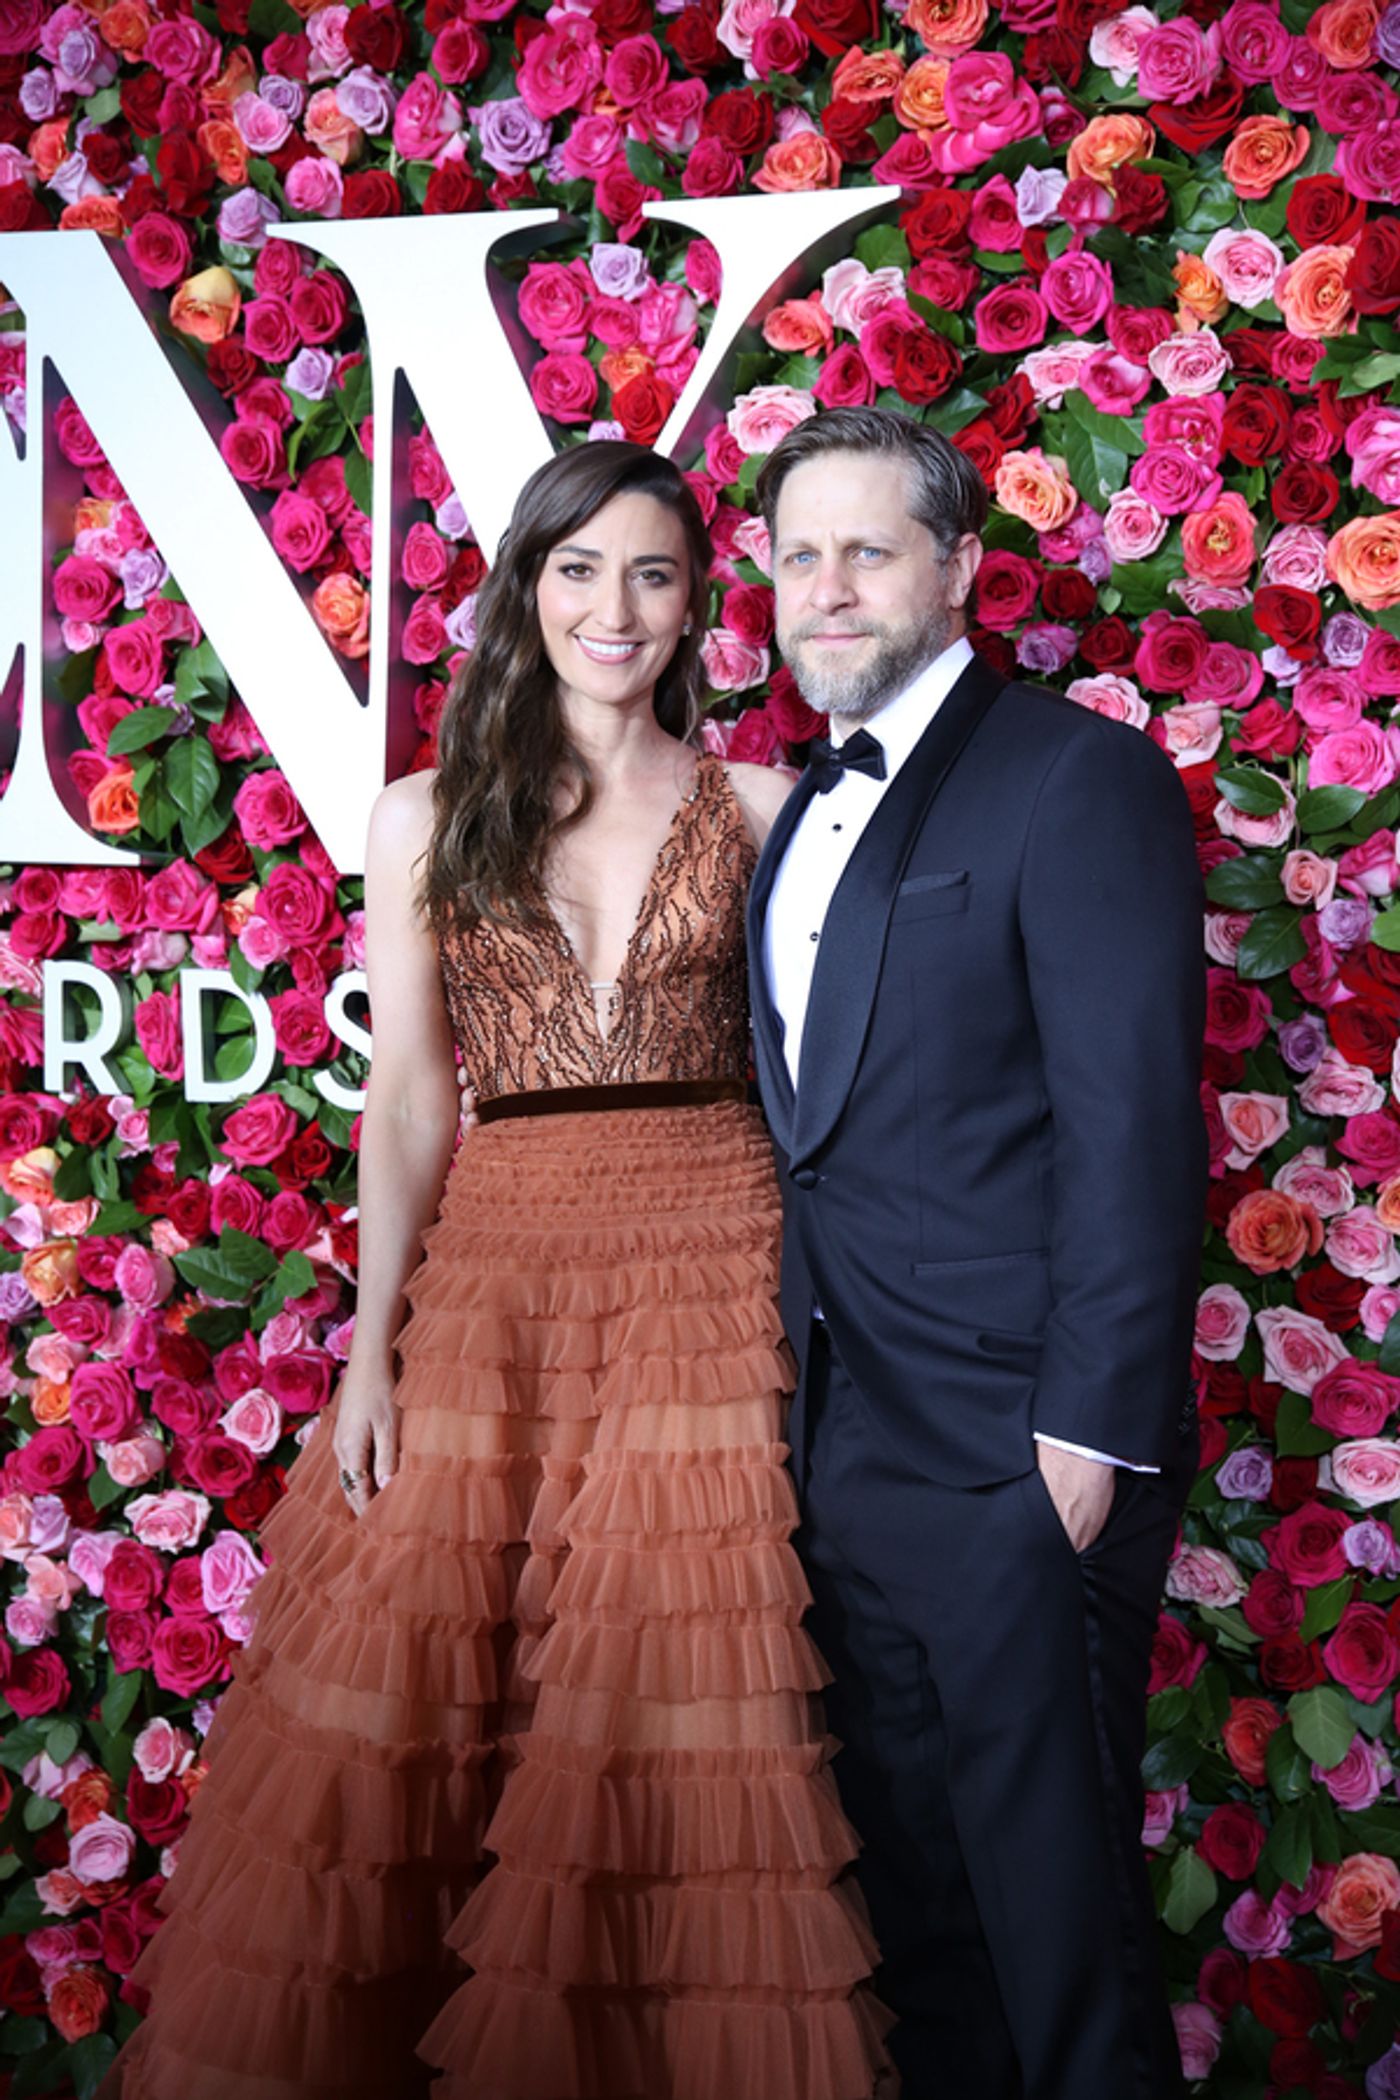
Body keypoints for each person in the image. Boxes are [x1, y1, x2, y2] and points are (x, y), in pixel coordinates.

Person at [100, 441, 891, 2100]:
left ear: (696, 610)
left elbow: (839, 1080)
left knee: (677, 1678)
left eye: (655, 574)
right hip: (504, 1265)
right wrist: (371, 1346)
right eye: (581, 568)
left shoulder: (766, 808)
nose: (617, 606)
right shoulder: (423, 819)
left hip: (714, 1262)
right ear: (530, 589)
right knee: (430, 1682)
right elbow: (408, 1097)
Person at [745, 405, 1208, 2100]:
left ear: (960, 569)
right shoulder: (801, 806)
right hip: (848, 1442)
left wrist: (1085, 1442)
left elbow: (1133, 1127)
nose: (830, 587)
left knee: (1055, 1926)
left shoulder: (1078, 780)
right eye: (801, 556)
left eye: (870, 550)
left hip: (1021, 1453)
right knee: (922, 1915)